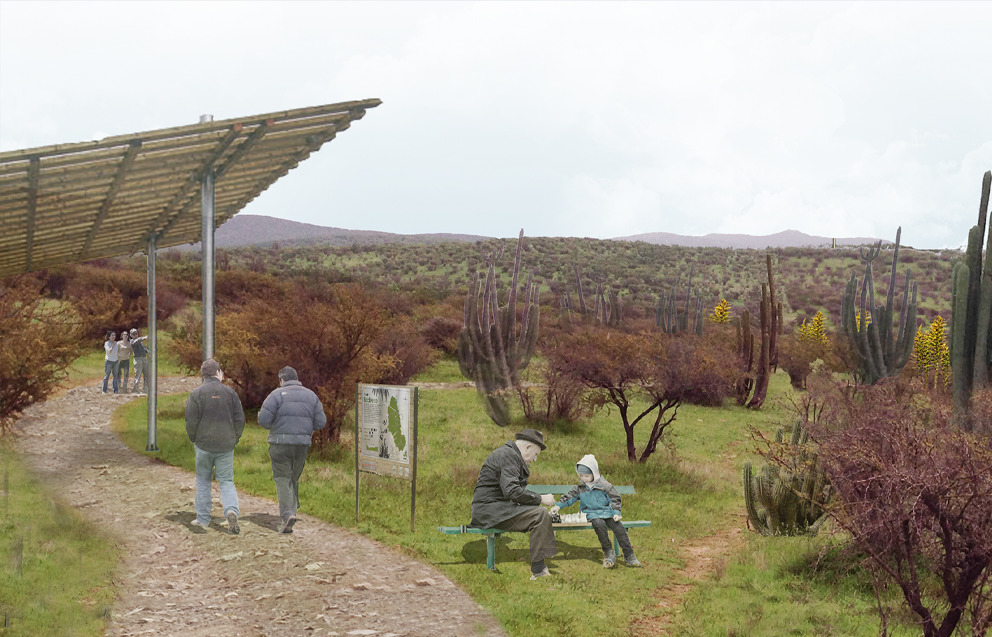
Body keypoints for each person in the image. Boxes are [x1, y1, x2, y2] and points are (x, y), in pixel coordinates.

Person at [470, 428, 557, 580]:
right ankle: (539, 570)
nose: (535, 459)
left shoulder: (509, 454)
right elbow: (511, 491)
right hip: (490, 511)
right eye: (536, 454)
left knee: (539, 514)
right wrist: (541, 499)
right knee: (540, 514)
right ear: (528, 447)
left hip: (493, 509)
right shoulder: (509, 455)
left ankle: (539, 566)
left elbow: (511, 492)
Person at [257, 366, 327, 534]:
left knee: (282, 478)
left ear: (282, 380)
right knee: (293, 477)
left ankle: (288, 514)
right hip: (302, 444)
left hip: (280, 443)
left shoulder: (276, 395)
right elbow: (321, 422)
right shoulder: (311, 396)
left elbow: (263, 421)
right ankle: (293, 509)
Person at [184, 359, 245, 534]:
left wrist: (194, 438)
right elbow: (240, 419)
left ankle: (203, 519)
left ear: (203, 374)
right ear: (218, 373)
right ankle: (231, 511)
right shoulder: (230, 393)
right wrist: (234, 438)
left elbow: (190, 420)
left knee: (203, 481)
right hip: (226, 445)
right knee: (226, 481)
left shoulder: (196, 394)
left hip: (203, 445)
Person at [550, 454, 642, 568]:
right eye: (581, 475)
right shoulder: (580, 487)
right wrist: (558, 506)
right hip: (590, 513)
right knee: (599, 524)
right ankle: (608, 552)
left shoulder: (605, 486)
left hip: (607, 513)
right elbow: (569, 497)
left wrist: (616, 513)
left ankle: (630, 555)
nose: (584, 478)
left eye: (587, 475)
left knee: (619, 527)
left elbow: (614, 499)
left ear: (594, 473)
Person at [129, 328, 149, 394]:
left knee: (147, 375)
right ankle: (136, 390)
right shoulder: (132, 341)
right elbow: (137, 341)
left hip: (144, 359)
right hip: (138, 359)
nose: (135, 335)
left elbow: (145, 349)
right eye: (133, 334)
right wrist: (144, 338)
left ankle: (145, 390)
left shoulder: (140, 343)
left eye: (136, 333)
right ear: (131, 335)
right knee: (138, 375)